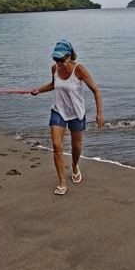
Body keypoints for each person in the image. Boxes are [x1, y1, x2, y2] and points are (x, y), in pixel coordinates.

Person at [30, 40, 104, 195]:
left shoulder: (79, 70)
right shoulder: (54, 68)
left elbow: (96, 90)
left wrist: (99, 113)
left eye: (61, 60)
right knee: (57, 146)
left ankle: (75, 166)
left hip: (77, 112)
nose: (59, 63)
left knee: (76, 147)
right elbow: (53, 85)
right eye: (56, 60)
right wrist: (39, 90)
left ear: (69, 56)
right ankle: (62, 182)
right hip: (59, 110)